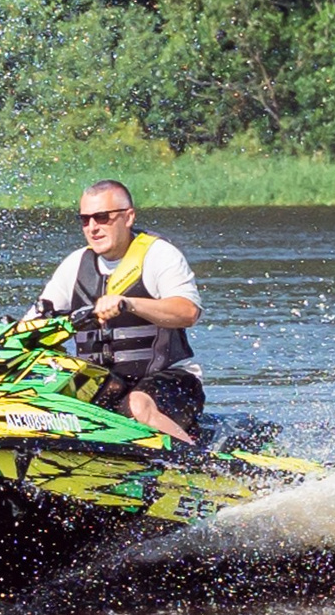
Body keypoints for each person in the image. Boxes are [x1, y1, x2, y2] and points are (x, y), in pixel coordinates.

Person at [24, 180, 205, 444]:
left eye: (102, 217)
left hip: (172, 381)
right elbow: (33, 323)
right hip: (105, 384)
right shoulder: (75, 265)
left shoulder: (159, 255)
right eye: (85, 220)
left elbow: (187, 312)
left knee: (137, 405)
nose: (92, 227)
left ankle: (198, 461)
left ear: (128, 217)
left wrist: (128, 303)